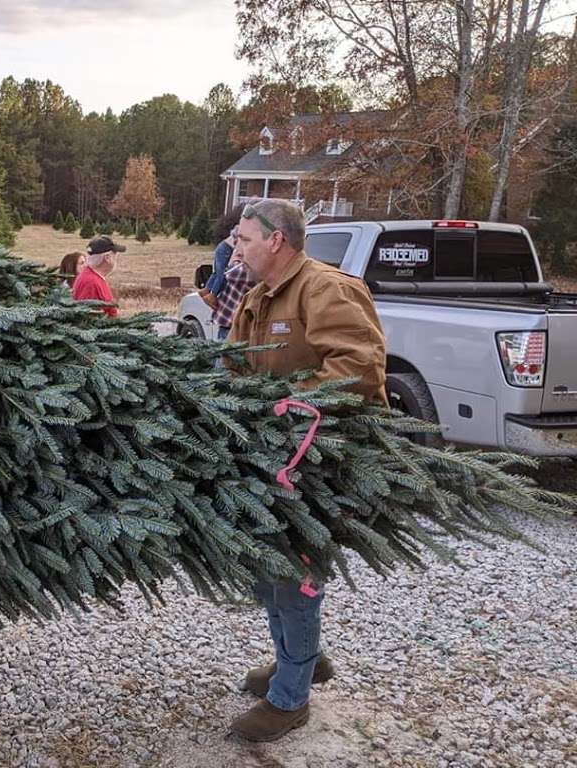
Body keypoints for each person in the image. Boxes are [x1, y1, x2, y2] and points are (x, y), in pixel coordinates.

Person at [224, 198, 387, 743]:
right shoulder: (254, 298)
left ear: (276, 240)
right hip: (274, 461)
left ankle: (291, 699)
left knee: (293, 578)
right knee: (268, 569)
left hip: (322, 464)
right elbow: (232, 368)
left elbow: (359, 369)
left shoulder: (326, 289)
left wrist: (281, 404)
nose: (236, 247)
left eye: (244, 238)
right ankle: (301, 658)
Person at [210, 205, 256, 342]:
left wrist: (235, 254)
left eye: (245, 241)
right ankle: (209, 292)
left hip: (230, 324)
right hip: (236, 324)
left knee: (223, 361)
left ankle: (210, 293)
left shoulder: (244, 271)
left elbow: (228, 273)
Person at [198, 209, 245, 311]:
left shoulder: (242, 225)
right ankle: (212, 295)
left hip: (222, 247)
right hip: (226, 249)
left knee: (217, 273)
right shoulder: (243, 228)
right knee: (222, 274)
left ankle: (206, 290)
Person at [72, 235, 125, 317]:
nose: (116, 257)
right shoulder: (91, 283)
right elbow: (89, 321)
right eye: (115, 254)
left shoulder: (92, 276)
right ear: (107, 258)